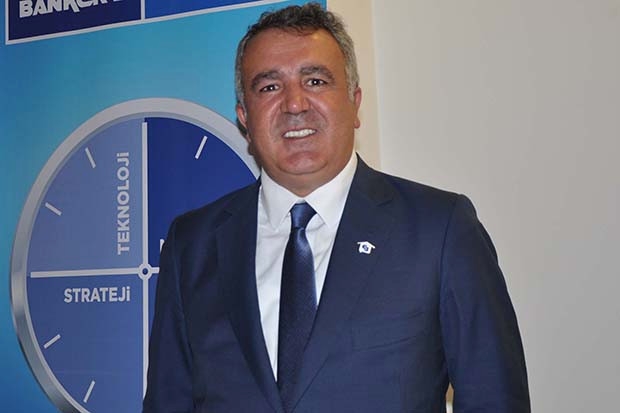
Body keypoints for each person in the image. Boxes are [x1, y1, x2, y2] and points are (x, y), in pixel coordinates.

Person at [143, 3, 530, 412]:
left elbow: (495, 400)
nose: (294, 104)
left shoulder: (440, 230)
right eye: (269, 87)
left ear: (354, 102)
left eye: (315, 81)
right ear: (244, 118)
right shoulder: (192, 243)